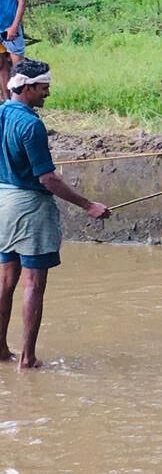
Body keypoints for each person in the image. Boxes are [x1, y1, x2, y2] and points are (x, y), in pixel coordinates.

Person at [0, 60, 109, 369]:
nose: (48, 93)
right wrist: (89, 205)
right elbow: (48, 178)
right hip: (29, 207)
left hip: (3, 202)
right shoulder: (31, 125)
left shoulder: (2, 112)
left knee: (6, 281)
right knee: (33, 283)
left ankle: (1, 350)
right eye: (44, 88)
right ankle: (27, 358)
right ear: (27, 87)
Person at [0, 0, 29, 92]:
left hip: (10, 28)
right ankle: (6, 101)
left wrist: (14, 26)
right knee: (2, 66)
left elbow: (22, 2)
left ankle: (20, 100)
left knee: (18, 66)